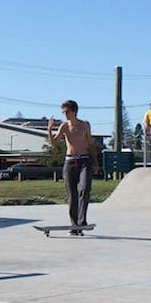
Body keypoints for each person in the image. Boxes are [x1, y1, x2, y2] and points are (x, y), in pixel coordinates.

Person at [48, 100, 99, 234]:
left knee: (84, 188)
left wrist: (95, 162)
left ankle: (82, 222)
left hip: (84, 161)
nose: (65, 114)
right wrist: (49, 130)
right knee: (72, 194)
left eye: (67, 111)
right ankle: (74, 224)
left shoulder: (85, 125)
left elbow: (91, 144)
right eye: (63, 112)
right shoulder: (64, 126)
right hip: (70, 162)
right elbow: (54, 143)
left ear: (74, 111)